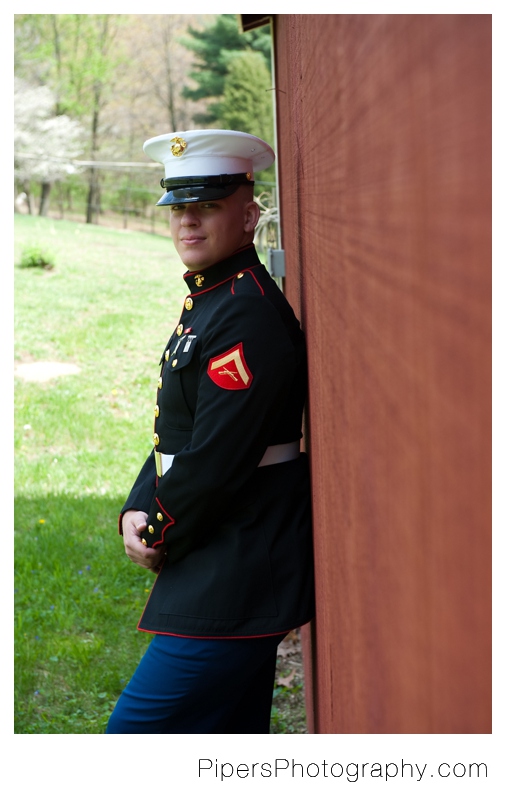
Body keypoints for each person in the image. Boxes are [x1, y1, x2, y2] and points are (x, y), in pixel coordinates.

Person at [106, 129, 315, 734]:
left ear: (249, 215)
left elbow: (216, 459)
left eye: (206, 206)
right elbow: (181, 433)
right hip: (223, 551)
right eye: (178, 208)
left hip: (239, 563)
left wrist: (159, 529)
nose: (186, 222)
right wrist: (136, 505)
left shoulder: (243, 312)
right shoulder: (216, 299)